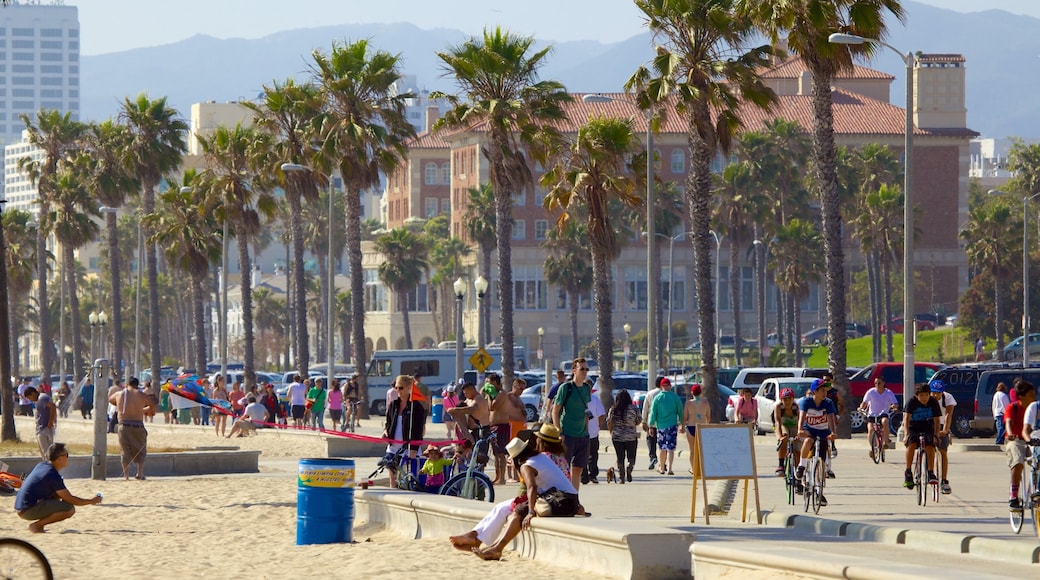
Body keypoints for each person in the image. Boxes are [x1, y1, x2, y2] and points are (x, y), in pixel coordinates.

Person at [471, 435, 581, 560]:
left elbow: (531, 487)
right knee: (518, 510)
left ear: (516, 458)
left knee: (519, 511)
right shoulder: (541, 457)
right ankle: (495, 546)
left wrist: (530, 512)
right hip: (570, 501)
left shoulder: (526, 466)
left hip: (561, 502)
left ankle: (497, 549)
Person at [15, 443, 102, 533]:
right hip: (27, 510)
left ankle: (38, 525)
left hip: (21, 507)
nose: (68, 458)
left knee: (61, 499)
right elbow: (71, 499)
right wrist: (92, 501)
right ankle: (36, 526)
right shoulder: (52, 475)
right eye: (67, 455)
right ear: (59, 458)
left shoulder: (42, 465)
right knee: (69, 510)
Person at [552, 357, 593, 490]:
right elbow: (555, 411)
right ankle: (563, 500)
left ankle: (574, 501)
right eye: (582, 369)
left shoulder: (586, 388)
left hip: (583, 436)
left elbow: (586, 410)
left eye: (586, 369)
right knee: (564, 470)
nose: (585, 371)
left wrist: (587, 432)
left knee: (578, 470)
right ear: (574, 370)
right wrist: (559, 432)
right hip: (567, 435)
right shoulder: (566, 388)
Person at [796, 379, 837, 506]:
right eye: (822, 390)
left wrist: (833, 433)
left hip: (823, 431)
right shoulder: (806, 402)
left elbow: (831, 418)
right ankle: (801, 466)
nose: (824, 393)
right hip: (810, 430)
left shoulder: (828, 403)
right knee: (808, 441)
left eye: (826, 390)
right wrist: (800, 430)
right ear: (815, 391)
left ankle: (819, 492)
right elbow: (802, 416)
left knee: (822, 463)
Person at [383, 375, 427, 487]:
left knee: (409, 478)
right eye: (396, 387)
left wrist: (414, 449)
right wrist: (385, 431)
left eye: (401, 388)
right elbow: (388, 421)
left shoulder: (416, 407)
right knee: (392, 477)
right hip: (393, 447)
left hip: (409, 447)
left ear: (409, 388)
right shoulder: (394, 405)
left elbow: (419, 430)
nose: (398, 391)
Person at [109, 377, 154, 481]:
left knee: (125, 451)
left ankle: (126, 475)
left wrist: (119, 405)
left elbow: (110, 399)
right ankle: (140, 473)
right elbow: (152, 405)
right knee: (141, 449)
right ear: (137, 385)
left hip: (123, 425)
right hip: (138, 425)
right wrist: (141, 409)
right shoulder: (141, 395)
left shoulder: (119, 394)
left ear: (127, 384)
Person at [902, 382, 941, 490]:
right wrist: (906, 434)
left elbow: (937, 420)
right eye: (921, 395)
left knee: (930, 446)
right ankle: (908, 471)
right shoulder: (912, 402)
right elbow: (906, 418)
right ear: (917, 395)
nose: (924, 398)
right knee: (912, 443)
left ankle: (930, 472)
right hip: (913, 426)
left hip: (928, 425)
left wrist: (936, 435)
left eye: (926, 395)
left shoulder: (933, 402)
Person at [1005, 380, 1037, 508]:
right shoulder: (1013, 407)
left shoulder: (1035, 408)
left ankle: (1036, 487)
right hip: (1015, 439)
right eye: (1030, 395)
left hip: (1032, 439)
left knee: (1038, 459)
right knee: (1018, 461)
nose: (1034, 398)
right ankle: (1013, 494)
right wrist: (1010, 433)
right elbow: (1008, 422)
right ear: (1021, 397)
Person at [647, 377, 683, 475]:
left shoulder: (657, 398)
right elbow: (680, 411)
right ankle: (670, 468)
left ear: (661, 386)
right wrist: (681, 424)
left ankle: (662, 468)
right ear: (670, 386)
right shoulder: (675, 397)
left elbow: (653, 413)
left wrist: (650, 426)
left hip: (661, 426)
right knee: (671, 448)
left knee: (661, 448)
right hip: (672, 426)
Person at [608, 389, 642, 484]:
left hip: (617, 436)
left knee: (620, 457)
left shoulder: (613, 409)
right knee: (631, 457)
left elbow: (609, 421)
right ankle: (629, 468)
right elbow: (639, 420)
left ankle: (621, 478)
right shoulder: (634, 408)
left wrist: (611, 432)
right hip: (631, 436)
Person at [859, 376, 899, 455]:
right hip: (872, 414)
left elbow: (895, 403)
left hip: (883, 413)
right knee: (870, 429)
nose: (877, 384)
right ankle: (872, 448)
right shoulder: (871, 392)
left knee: (885, 421)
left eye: (879, 383)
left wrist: (894, 406)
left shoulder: (888, 392)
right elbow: (864, 402)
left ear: (883, 383)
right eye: (875, 383)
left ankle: (886, 441)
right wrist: (860, 408)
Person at [929, 379, 956, 494]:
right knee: (928, 448)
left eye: (938, 393)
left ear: (942, 392)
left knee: (943, 452)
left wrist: (945, 430)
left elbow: (948, 415)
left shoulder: (948, 398)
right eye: (933, 392)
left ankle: (944, 481)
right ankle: (929, 472)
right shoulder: (926, 398)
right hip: (929, 423)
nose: (935, 395)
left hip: (941, 423)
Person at [488, 375, 514, 485]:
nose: (488, 385)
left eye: (490, 383)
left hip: (502, 426)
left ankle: (502, 477)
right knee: (495, 454)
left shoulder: (501, 394)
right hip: (494, 426)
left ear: (495, 382)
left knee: (501, 454)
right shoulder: (494, 395)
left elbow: (492, 407)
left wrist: (489, 395)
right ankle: (497, 476)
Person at [772, 387, 799, 478]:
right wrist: (780, 437)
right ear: (781, 400)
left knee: (798, 449)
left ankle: (798, 475)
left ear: (793, 399)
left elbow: (800, 422)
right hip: (783, 425)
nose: (787, 402)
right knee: (784, 437)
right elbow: (778, 422)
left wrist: (799, 434)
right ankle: (781, 464)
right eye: (785, 399)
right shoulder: (778, 407)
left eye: (789, 399)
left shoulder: (796, 407)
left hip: (794, 425)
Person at [24, 387, 56, 460]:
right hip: (41, 429)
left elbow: (52, 406)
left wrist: (50, 422)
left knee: (47, 453)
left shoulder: (42, 398)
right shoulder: (40, 399)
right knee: (45, 453)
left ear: (33, 393)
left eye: (29, 397)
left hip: (44, 429)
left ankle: (49, 469)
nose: (30, 400)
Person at [584, 387, 606, 485]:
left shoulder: (591, 399)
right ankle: (592, 475)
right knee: (593, 454)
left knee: (583, 454)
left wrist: (598, 425)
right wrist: (598, 425)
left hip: (584, 432)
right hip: (592, 432)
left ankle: (585, 476)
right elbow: (601, 415)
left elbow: (601, 415)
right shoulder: (595, 400)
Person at [641, 378, 663, 470]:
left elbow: (645, 408)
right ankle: (663, 462)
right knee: (662, 443)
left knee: (651, 440)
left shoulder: (650, 394)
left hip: (652, 423)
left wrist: (644, 421)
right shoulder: (667, 395)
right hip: (664, 423)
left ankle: (653, 456)